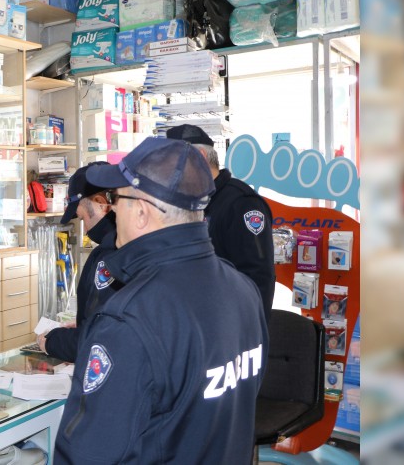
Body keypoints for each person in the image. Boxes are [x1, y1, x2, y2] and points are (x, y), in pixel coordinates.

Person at [54, 138, 268, 464]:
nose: (112, 209)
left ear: (141, 212)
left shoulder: (128, 321)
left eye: (116, 199)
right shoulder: (242, 290)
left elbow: (88, 454)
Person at [166, 124, 276, 322]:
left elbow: (258, 279)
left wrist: (244, 332)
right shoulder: (190, 201)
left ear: (199, 157)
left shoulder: (241, 204)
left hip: (227, 327)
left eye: (173, 161)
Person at [35, 162, 119, 362]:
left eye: (82, 218)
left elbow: (104, 339)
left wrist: (54, 341)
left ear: (101, 203)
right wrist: (84, 323)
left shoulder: (113, 255)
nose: (86, 230)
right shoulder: (118, 248)